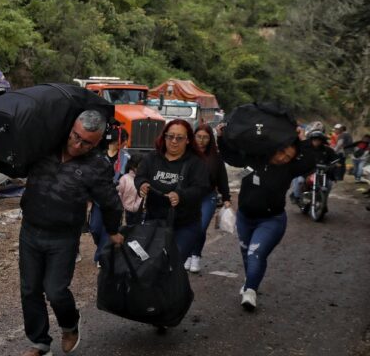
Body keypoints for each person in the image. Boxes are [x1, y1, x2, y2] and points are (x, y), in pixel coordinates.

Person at [0, 110, 124, 356]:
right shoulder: (45, 146)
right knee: (30, 289)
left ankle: (70, 324)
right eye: (75, 136)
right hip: (31, 230)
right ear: (70, 129)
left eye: (86, 142)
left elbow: (110, 202)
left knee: (55, 290)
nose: (77, 144)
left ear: (97, 142)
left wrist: (113, 230)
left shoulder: (97, 166)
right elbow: (19, 169)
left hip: (63, 237)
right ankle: (40, 344)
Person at [217, 124, 316, 311]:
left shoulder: (289, 169)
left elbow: (309, 163)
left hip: (272, 221)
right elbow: (230, 156)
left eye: (288, 157)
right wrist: (221, 137)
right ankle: (251, 281)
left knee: (256, 253)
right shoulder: (254, 158)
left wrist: (303, 140)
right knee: (247, 255)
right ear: (276, 148)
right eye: (282, 153)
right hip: (245, 218)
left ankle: (250, 291)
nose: (283, 158)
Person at [135, 119, 210, 263]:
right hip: (154, 221)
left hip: (184, 224)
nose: (174, 141)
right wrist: (142, 185)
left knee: (171, 264)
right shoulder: (152, 158)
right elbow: (140, 176)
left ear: (188, 140)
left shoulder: (196, 163)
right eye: (170, 136)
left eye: (179, 138)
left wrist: (180, 195)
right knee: (150, 263)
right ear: (164, 137)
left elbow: (201, 188)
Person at [185, 124, 231, 273]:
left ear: (210, 139)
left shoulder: (215, 157)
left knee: (201, 227)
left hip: (208, 197)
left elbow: (222, 179)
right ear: (194, 137)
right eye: (199, 136)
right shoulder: (187, 154)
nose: (202, 140)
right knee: (189, 226)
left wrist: (226, 198)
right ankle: (188, 255)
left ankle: (196, 255)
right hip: (189, 197)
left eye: (205, 137)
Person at [88, 127, 128, 266]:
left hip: (115, 199)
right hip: (99, 199)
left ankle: (101, 255)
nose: (124, 144)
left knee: (108, 228)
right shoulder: (98, 156)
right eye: (123, 140)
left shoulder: (126, 158)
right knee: (95, 228)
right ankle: (103, 248)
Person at [290, 130, 339, 203]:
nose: (316, 141)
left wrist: (336, 163)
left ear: (322, 141)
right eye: (314, 139)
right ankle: (296, 196)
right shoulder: (305, 148)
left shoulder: (327, 150)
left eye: (318, 140)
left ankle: (323, 201)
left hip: (322, 173)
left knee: (329, 184)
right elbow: (297, 156)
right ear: (311, 140)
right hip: (306, 172)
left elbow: (335, 158)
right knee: (300, 181)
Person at [117, 152, 143, 225]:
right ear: (133, 166)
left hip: (140, 212)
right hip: (125, 212)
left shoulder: (144, 179)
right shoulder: (124, 179)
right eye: (140, 166)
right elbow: (119, 195)